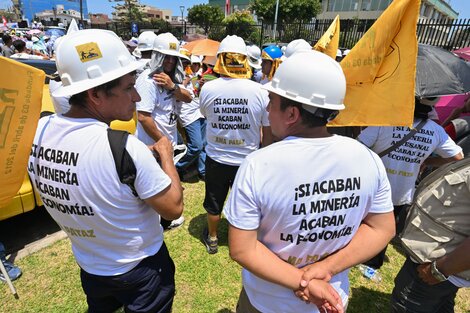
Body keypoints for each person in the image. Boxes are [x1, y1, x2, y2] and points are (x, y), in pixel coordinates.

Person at [223, 50, 395, 312]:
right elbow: (382, 229)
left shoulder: (258, 165)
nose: (268, 110)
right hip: (332, 299)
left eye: (272, 101)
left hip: (267, 303)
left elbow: (242, 249)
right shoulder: (367, 158)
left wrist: (301, 281)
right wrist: (324, 271)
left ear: (292, 114)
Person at [28, 29, 183, 313]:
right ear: (95, 94)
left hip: (91, 266)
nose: (136, 96)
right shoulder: (123, 147)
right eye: (128, 87)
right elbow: (173, 208)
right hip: (141, 269)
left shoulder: (38, 131)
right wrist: (166, 155)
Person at [357, 98, 463, 276]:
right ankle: (372, 261)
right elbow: (457, 157)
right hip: (401, 192)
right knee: (384, 229)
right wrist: (428, 160)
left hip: (371, 185)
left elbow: (359, 146)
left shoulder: (386, 121)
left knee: (358, 220)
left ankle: (349, 251)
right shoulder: (435, 131)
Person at [199, 35, 272, 254]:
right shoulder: (260, 92)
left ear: (221, 59)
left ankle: (213, 237)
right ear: (244, 60)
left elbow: (205, 115)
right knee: (247, 202)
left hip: (216, 157)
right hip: (247, 159)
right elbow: (266, 130)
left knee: (214, 199)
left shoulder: (208, 89)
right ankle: (244, 240)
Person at [135, 32, 192, 230]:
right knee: (153, 185)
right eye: (165, 56)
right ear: (156, 56)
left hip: (167, 143)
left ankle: (164, 220)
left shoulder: (172, 78)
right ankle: (159, 222)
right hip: (153, 145)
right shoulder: (147, 81)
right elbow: (143, 117)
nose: (169, 61)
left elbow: (188, 98)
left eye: (172, 57)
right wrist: (163, 141)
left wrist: (172, 86)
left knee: (165, 182)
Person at [175, 54, 207, 181]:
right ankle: (176, 166)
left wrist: (199, 85)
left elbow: (194, 93)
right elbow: (181, 95)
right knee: (196, 146)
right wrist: (187, 83)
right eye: (188, 63)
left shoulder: (194, 76)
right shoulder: (177, 77)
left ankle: (202, 171)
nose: (191, 66)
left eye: (194, 64)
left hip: (199, 111)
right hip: (187, 115)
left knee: (204, 144)